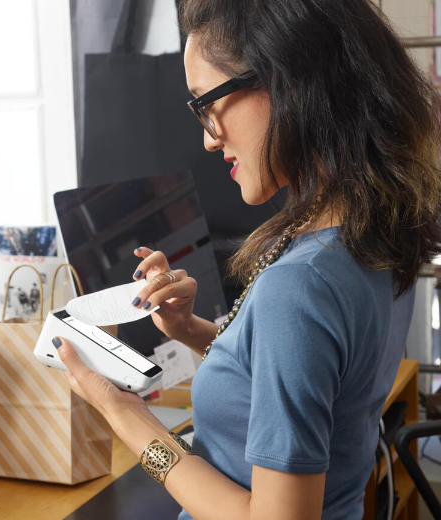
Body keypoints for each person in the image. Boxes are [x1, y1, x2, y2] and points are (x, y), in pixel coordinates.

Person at [52, 0, 441, 518]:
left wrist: (122, 413)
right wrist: (190, 330)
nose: (209, 139)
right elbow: (307, 373)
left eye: (206, 103)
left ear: (286, 81)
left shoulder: (300, 283)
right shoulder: (372, 232)